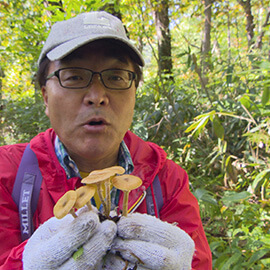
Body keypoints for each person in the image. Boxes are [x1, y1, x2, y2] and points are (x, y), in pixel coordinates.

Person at [0, 11, 212, 269]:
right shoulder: (7, 174)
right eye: (74, 76)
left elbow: (198, 261)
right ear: (45, 96)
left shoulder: (167, 181)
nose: (97, 96)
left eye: (116, 77)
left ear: (134, 92)